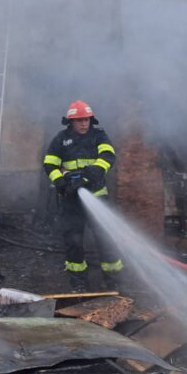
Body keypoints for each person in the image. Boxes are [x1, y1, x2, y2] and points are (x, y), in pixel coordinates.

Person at [42, 100, 121, 292]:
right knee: (73, 242)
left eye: (86, 120)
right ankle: (79, 284)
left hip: (97, 197)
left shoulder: (99, 136)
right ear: (71, 122)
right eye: (79, 121)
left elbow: (108, 156)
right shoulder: (61, 139)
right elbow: (50, 164)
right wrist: (61, 183)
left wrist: (91, 174)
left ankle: (113, 281)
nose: (84, 124)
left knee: (106, 239)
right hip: (71, 201)